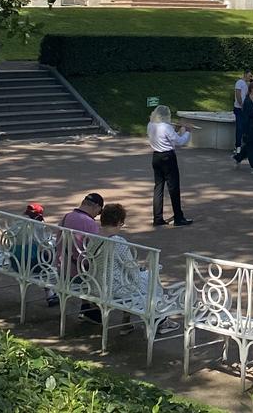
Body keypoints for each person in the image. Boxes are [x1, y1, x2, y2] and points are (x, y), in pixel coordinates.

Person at [98, 203, 181, 336]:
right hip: (115, 288)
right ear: (119, 222)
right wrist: (143, 271)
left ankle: (127, 321)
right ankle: (160, 320)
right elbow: (131, 269)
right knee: (152, 277)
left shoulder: (93, 237)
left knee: (143, 277)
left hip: (97, 283)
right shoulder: (118, 242)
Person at [60, 192, 105, 322]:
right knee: (101, 268)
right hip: (78, 275)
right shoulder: (90, 224)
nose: (98, 215)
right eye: (99, 211)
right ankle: (91, 309)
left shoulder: (66, 217)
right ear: (96, 207)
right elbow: (97, 251)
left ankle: (87, 308)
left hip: (61, 269)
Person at [147, 105, 192, 227]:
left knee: (158, 187)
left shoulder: (150, 125)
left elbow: (169, 139)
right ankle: (178, 217)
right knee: (173, 188)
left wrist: (176, 130)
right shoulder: (166, 127)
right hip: (168, 158)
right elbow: (179, 141)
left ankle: (157, 218)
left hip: (156, 157)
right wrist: (187, 132)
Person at [9, 203, 58, 307]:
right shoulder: (38, 226)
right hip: (31, 265)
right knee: (48, 256)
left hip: (15, 262)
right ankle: (50, 294)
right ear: (39, 216)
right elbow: (45, 244)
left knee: (41, 255)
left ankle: (50, 293)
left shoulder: (16, 222)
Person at [232, 79, 253, 175]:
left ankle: (238, 158)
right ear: (252, 89)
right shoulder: (247, 101)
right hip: (250, 127)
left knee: (249, 146)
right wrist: (246, 130)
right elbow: (246, 116)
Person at [232, 69, 251, 155]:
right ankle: (238, 146)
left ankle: (244, 146)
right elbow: (238, 94)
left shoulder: (247, 84)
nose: (250, 78)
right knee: (239, 127)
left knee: (244, 128)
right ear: (245, 74)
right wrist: (241, 105)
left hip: (245, 109)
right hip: (239, 108)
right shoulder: (239, 82)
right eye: (249, 76)